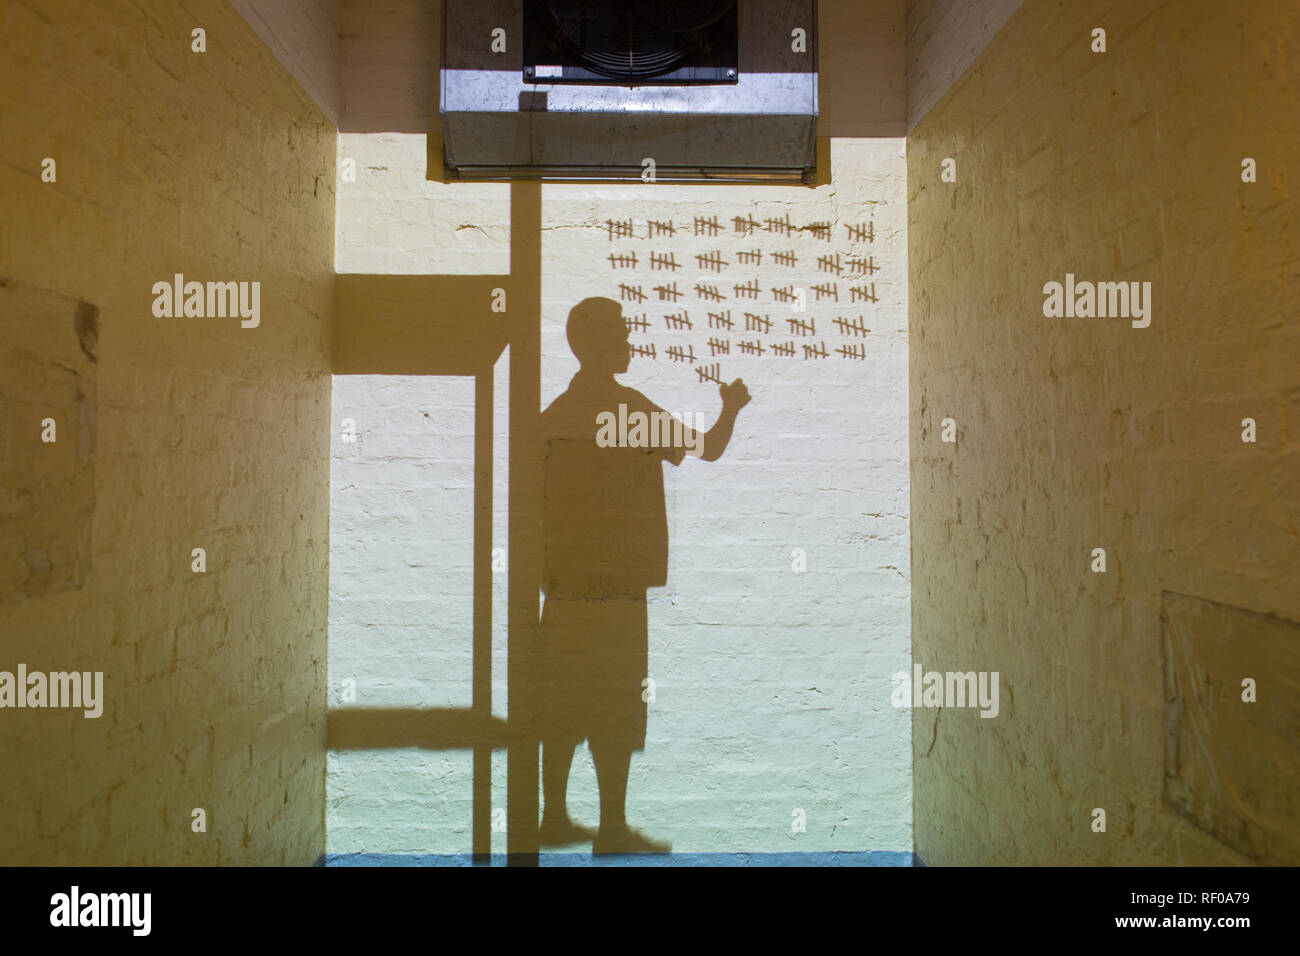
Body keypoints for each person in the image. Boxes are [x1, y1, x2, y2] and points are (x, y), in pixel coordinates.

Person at [536, 296, 751, 854]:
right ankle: (610, 828)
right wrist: (731, 407)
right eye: (624, 333)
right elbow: (710, 448)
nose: (630, 342)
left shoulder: (555, 415)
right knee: (616, 704)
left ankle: (553, 817)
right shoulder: (632, 411)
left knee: (560, 703)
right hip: (619, 589)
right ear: (603, 343)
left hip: (563, 588)